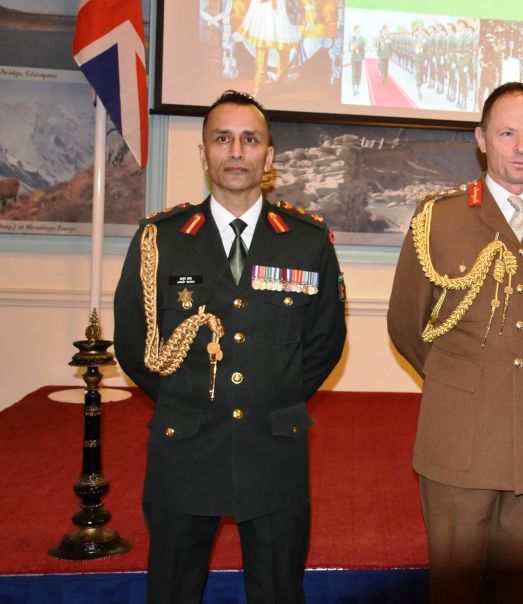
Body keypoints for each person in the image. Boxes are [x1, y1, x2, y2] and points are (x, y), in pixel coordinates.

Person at [114, 90, 347, 604]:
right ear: (204, 154)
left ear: (269, 155)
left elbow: (325, 342)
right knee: (173, 589)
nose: (236, 151)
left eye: (250, 139)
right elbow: (135, 343)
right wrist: (186, 399)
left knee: (279, 590)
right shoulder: (160, 239)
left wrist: (275, 395)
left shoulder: (306, 240)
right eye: (222, 139)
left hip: (273, 446)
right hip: (185, 446)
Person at [387, 82, 523, 604]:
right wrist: (458, 377)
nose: (521, 148)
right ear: (481, 139)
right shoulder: (439, 217)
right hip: (460, 435)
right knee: (454, 589)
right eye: (507, 134)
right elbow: (406, 323)